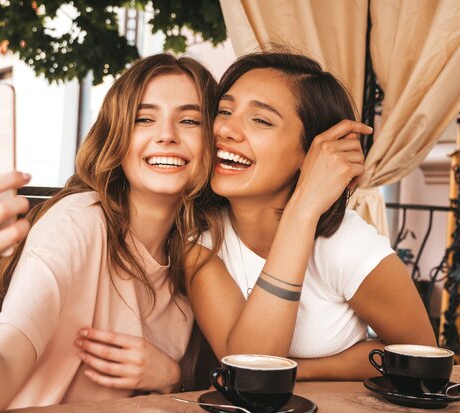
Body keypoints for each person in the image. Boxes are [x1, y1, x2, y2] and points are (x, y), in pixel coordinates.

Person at [0, 53, 218, 413]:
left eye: (189, 120)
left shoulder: (201, 247)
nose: (166, 135)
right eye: (144, 119)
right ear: (117, 137)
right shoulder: (77, 222)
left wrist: (171, 377)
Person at [185, 51, 436, 381]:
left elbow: (423, 359)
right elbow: (250, 369)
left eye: (260, 120)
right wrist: (300, 215)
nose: (226, 130)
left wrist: (302, 212)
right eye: (225, 111)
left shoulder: (345, 243)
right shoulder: (201, 243)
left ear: (313, 153)